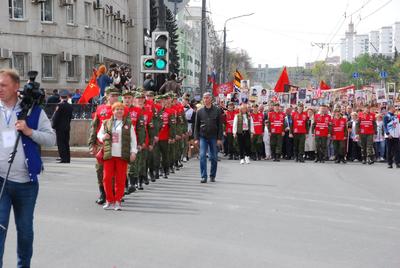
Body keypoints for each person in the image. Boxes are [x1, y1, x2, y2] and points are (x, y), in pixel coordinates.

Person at [0, 69, 56, 267]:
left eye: (3, 85)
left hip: (26, 183)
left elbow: (51, 139)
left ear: (16, 87)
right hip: (1, 182)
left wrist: (29, 131)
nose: (0, 88)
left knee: (25, 231)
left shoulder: (34, 111)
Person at [97, 102, 137, 210]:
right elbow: (99, 134)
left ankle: (118, 201)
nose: (119, 111)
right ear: (113, 111)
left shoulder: (128, 123)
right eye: (117, 109)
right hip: (109, 154)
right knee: (106, 178)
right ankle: (109, 200)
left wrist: (133, 152)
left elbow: (133, 139)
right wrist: (102, 137)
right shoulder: (106, 122)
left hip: (122, 155)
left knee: (120, 179)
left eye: (121, 109)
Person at [88, 86, 120, 205]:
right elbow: (94, 126)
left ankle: (113, 192)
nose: (115, 98)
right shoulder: (100, 108)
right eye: (113, 95)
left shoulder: (121, 109)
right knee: (100, 170)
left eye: (117, 95)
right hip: (102, 144)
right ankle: (102, 193)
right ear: (107, 96)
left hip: (117, 145)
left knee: (115, 171)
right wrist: (92, 144)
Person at [194, 92, 223, 183]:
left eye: (207, 98)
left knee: (214, 157)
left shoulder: (217, 110)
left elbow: (220, 125)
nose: (206, 99)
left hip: (213, 137)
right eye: (204, 98)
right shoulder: (200, 111)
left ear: (211, 99)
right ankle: (203, 176)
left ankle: (212, 175)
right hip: (203, 137)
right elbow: (196, 126)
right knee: (202, 156)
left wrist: (219, 138)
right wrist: (196, 138)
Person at [52, 90, 73, 163]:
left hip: (60, 127)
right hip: (67, 126)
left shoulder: (59, 105)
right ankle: (67, 158)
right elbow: (70, 117)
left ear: (60, 97)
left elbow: (56, 117)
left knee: (60, 143)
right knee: (66, 143)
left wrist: (53, 126)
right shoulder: (70, 106)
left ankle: (63, 158)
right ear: (67, 97)